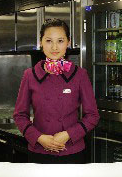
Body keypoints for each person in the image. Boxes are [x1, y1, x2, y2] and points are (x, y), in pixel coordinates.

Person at [13, 19, 99, 164]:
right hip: (39, 152)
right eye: (48, 41)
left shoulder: (79, 75)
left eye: (60, 40)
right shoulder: (30, 75)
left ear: (68, 43)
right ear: (41, 43)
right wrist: (39, 138)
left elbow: (92, 116)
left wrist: (68, 134)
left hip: (72, 152)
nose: (54, 47)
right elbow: (20, 115)